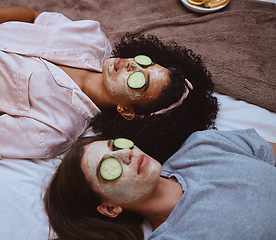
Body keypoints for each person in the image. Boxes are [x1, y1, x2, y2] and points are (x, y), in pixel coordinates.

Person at [0, 7, 218, 162]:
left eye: (140, 81)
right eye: (146, 63)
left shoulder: (56, 130)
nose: (133, 66)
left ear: (126, 111)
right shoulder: (92, 38)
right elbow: (33, 17)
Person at [44, 129, 276, 240]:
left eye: (116, 145)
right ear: (110, 208)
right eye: (109, 167)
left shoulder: (203, 144)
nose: (126, 153)